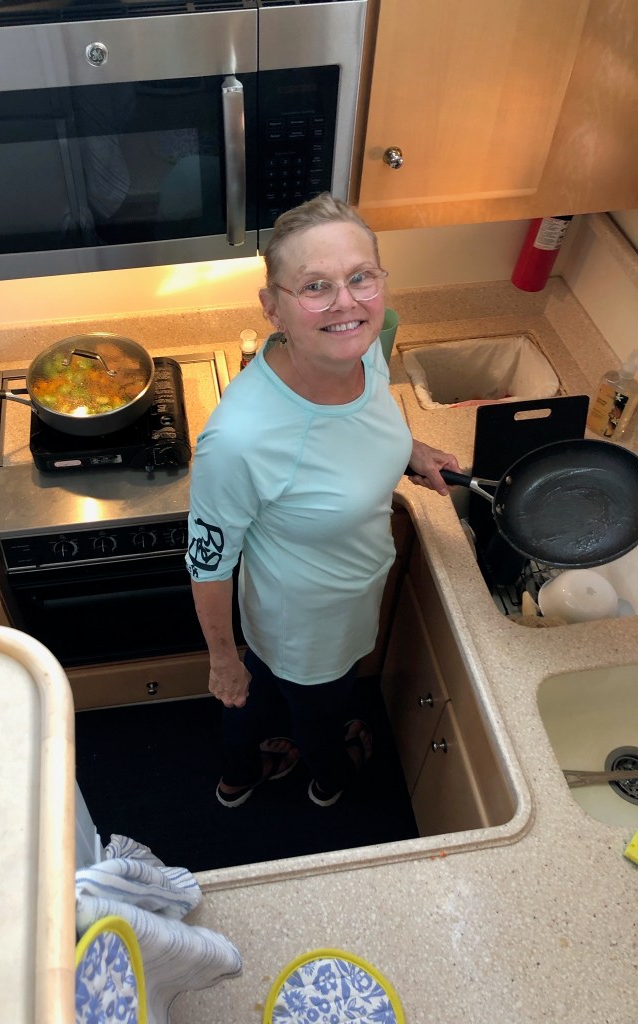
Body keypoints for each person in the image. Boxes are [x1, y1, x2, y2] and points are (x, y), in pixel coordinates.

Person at [185, 193, 461, 809]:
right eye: (316, 286)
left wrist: (409, 451)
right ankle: (330, 783)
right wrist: (222, 660)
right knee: (317, 708)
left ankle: (238, 776)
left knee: (263, 691)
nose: (346, 302)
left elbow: (361, 425)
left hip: (344, 592)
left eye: (361, 277)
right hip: (308, 622)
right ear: (272, 307)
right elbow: (208, 561)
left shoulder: (365, 346)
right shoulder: (240, 439)